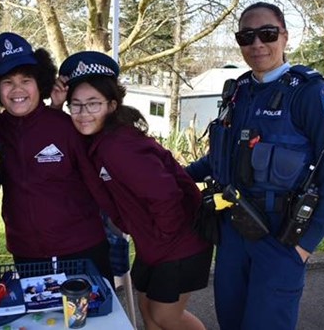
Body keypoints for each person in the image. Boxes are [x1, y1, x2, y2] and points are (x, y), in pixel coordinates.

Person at [185, 2, 324, 330]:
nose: (257, 44)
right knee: (231, 321)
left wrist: (303, 248)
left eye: (267, 33)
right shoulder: (239, 92)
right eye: (247, 36)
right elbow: (219, 159)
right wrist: (174, 175)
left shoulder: (310, 93)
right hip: (232, 231)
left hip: (281, 237)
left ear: (285, 37)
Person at [57, 51, 213, 330]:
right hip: (153, 243)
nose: (83, 114)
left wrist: (163, 236)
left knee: (166, 317)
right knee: (148, 311)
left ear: (112, 105)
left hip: (178, 242)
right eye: (76, 105)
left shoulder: (119, 146)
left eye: (93, 104)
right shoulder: (99, 140)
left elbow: (165, 194)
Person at [0, 32, 116, 283]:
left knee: (92, 321)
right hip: (26, 255)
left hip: (81, 250)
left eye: (26, 80)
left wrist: (123, 226)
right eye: (7, 82)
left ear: (40, 82)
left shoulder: (67, 127)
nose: (17, 89)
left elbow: (99, 184)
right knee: (40, 322)